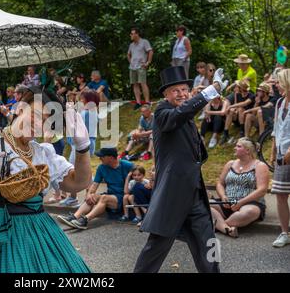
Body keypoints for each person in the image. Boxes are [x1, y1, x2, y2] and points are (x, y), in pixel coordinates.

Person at [0, 86, 92, 273]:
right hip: (2, 240)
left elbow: (79, 183)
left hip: (43, 237)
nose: (39, 125)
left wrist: (83, 147)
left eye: (46, 122)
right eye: (35, 115)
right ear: (20, 108)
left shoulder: (42, 152)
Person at [134, 65, 226, 273]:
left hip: (193, 192)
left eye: (184, 90)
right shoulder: (162, 111)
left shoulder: (183, 112)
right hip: (172, 194)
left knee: (208, 242)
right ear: (165, 95)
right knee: (156, 246)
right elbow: (181, 113)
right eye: (175, 91)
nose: (181, 94)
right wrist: (212, 90)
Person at [57, 147, 134, 230]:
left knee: (104, 198)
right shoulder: (101, 168)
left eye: (102, 156)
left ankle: (85, 220)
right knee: (93, 197)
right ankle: (74, 217)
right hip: (110, 195)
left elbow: (140, 177)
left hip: (123, 198)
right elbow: (94, 184)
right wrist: (89, 194)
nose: (99, 158)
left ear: (111, 157)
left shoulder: (127, 165)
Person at [210, 138, 268, 238]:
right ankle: (226, 229)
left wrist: (241, 202)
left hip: (250, 204)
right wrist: (223, 196)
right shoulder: (230, 164)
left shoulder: (259, 165)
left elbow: (262, 190)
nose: (235, 148)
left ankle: (219, 225)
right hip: (227, 203)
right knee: (205, 204)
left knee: (248, 212)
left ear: (248, 150)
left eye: (238, 146)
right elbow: (220, 183)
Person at [270, 69, 290, 248]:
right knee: (281, 194)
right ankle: (285, 233)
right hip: (281, 155)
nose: (276, 85)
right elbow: (276, 130)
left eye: (279, 81)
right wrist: (272, 152)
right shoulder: (279, 103)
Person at [127, 27, 154, 108]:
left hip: (141, 66)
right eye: (130, 34)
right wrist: (131, 61)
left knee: (143, 83)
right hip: (132, 67)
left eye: (132, 34)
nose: (130, 35)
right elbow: (128, 54)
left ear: (137, 34)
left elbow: (150, 51)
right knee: (135, 84)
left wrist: (148, 62)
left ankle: (147, 102)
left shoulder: (144, 42)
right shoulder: (131, 45)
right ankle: (138, 102)